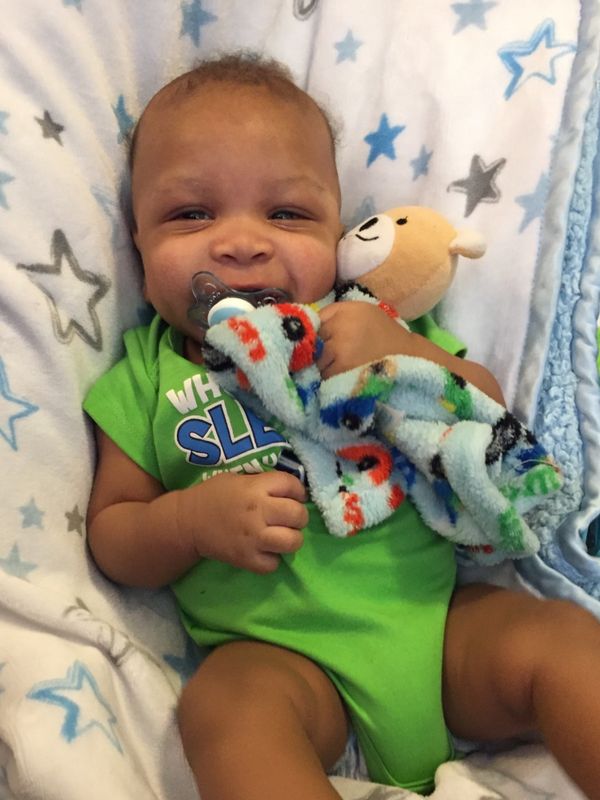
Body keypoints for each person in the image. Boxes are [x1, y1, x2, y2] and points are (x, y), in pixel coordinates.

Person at [84, 52, 600, 800]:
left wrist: (411, 353)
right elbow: (113, 533)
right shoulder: (144, 376)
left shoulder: (368, 324)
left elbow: (488, 413)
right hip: (280, 664)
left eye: (286, 214)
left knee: (563, 641)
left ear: (336, 230)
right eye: (191, 214)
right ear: (136, 238)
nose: (242, 242)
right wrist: (189, 523)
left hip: (438, 633)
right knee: (223, 710)